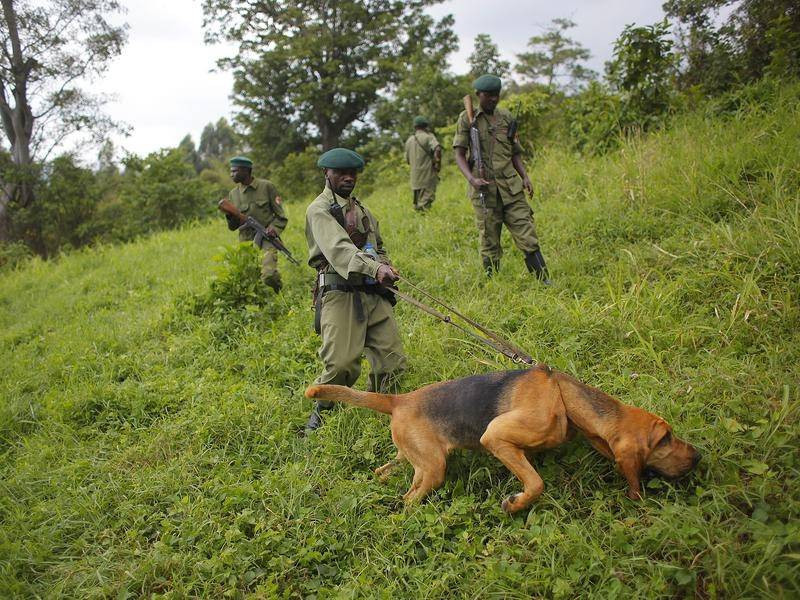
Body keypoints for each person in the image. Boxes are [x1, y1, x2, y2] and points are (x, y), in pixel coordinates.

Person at [304, 148, 407, 432]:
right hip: (339, 293)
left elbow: (379, 247)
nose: (349, 178)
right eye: (341, 173)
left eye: (353, 173)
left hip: (373, 294)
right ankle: (321, 417)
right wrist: (375, 268)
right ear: (327, 173)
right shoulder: (319, 210)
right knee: (341, 366)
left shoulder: (363, 211)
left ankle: (382, 419)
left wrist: (386, 266)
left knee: (393, 363)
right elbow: (339, 249)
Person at [453, 74, 551, 283]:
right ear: (479, 95)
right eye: (489, 96)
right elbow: (459, 154)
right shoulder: (467, 118)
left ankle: (544, 281)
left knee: (527, 232)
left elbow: (515, 152)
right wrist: (471, 179)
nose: (494, 100)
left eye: (496, 96)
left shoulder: (506, 118)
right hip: (484, 190)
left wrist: (525, 176)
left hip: (511, 188)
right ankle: (493, 283)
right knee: (489, 239)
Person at [224, 156, 288, 292]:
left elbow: (281, 217)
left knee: (269, 275)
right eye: (231, 171)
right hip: (246, 241)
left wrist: (274, 229)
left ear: (246, 171)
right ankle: (260, 304)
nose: (231, 175)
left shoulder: (266, 187)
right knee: (249, 279)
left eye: (235, 171)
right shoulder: (233, 194)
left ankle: (279, 292)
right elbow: (232, 227)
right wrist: (230, 216)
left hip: (267, 237)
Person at [404, 115, 442, 212]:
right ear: (426, 126)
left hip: (415, 177)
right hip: (427, 175)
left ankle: (419, 220)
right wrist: (437, 163)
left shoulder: (409, 140)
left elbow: (407, 160)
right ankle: (424, 219)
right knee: (426, 201)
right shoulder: (429, 137)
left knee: (417, 202)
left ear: (415, 127)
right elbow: (437, 148)